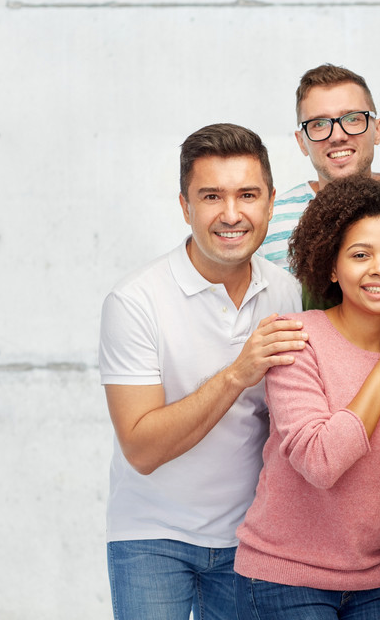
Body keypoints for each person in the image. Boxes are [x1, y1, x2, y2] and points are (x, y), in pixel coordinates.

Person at [99, 123, 307, 619]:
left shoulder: (286, 292)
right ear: (185, 206)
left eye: (248, 195)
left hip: (250, 541)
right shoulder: (134, 302)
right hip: (152, 538)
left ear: (271, 202)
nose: (231, 214)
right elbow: (142, 449)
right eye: (211, 196)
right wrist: (239, 372)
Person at [233, 177, 380, 618]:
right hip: (284, 576)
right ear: (332, 267)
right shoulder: (297, 339)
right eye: (360, 255)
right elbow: (321, 460)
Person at [259, 64, 380, 270]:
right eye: (318, 124)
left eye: (353, 118)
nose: (337, 136)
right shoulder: (268, 224)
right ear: (302, 142)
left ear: (378, 130)